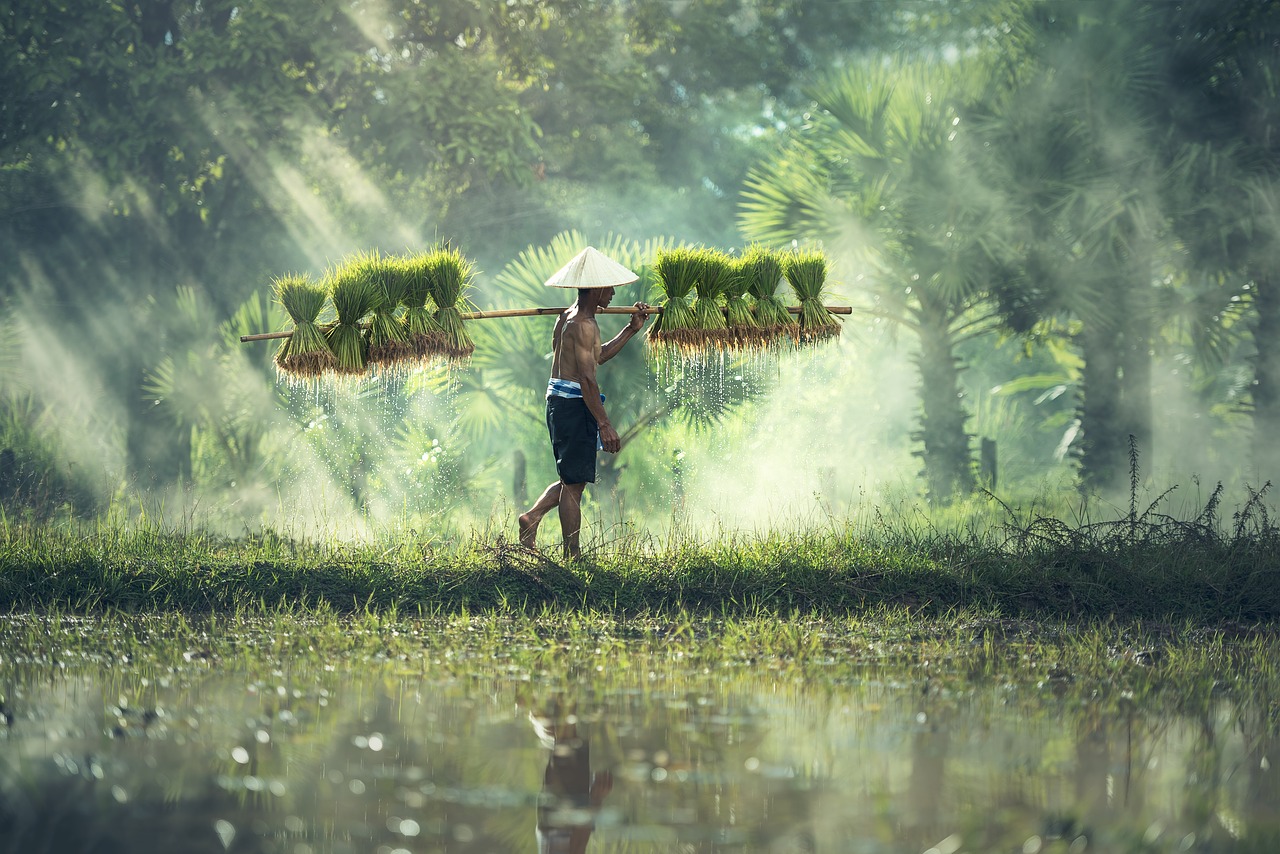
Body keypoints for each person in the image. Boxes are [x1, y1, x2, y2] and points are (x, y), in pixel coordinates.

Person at [518, 247, 650, 559]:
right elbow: (588, 380)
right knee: (575, 486)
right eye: (609, 287)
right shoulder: (584, 325)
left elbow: (597, 356)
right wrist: (605, 424)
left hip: (558, 401)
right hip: (572, 405)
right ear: (594, 289)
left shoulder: (568, 318)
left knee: (570, 478)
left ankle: (531, 518)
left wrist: (631, 329)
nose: (614, 293)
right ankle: (572, 556)